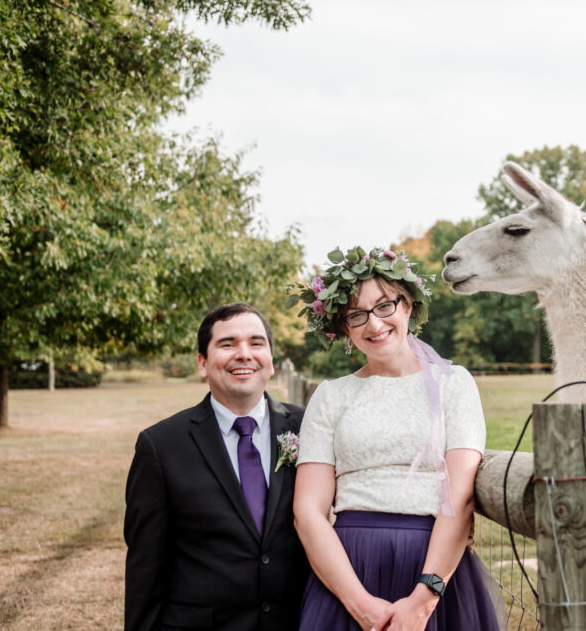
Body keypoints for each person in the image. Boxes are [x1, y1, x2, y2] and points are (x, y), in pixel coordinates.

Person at [289, 247, 502, 631]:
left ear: (407, 306)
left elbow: (460, 496)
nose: (374, 325)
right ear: (344, 328)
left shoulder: (454, 384)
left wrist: (424, 599)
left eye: (385, 306)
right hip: (351, 568)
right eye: (357, 315)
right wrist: (360, 604)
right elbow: (308, 512)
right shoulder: (331, 396)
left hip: (433, 564)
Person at [124, 303, 309, 631]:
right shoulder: (161, 446)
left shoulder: (308, 427)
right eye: (227, 344)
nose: (244, 354)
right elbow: (145, 569)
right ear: (202, 364)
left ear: (270, 359)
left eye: (256, 343)